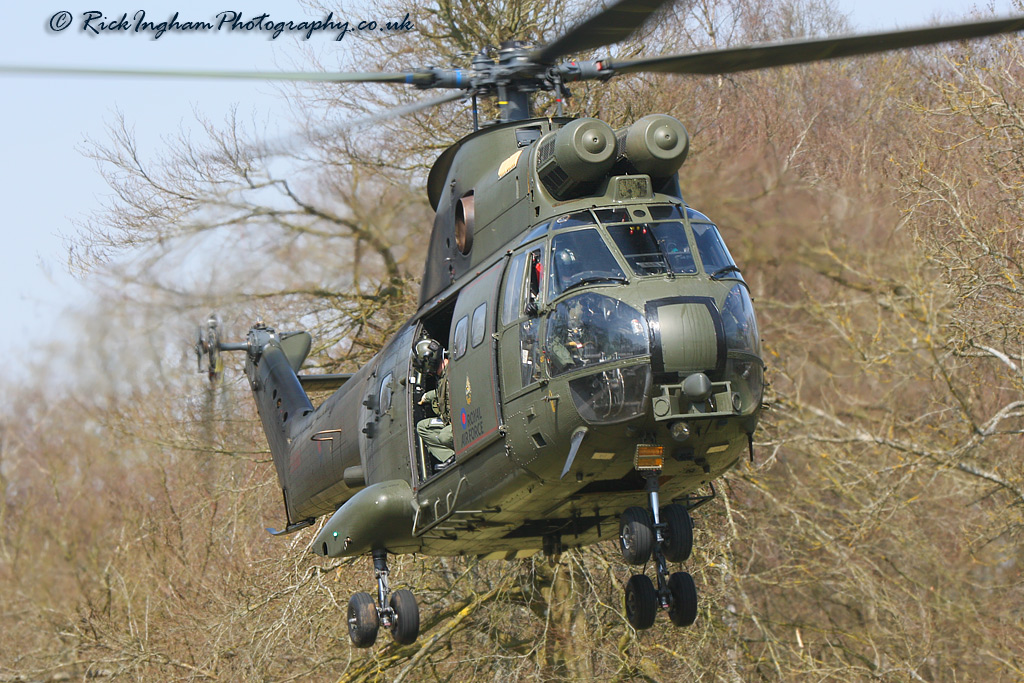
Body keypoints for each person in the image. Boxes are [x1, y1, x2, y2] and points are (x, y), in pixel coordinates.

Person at [415, 338, 455, 468]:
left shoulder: (453, 373)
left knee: (444, 437)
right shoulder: (443, 376)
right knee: (423, 426)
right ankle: (449, 456)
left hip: (460, 420)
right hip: (449, 421)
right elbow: (441, 393)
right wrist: (427, 396)